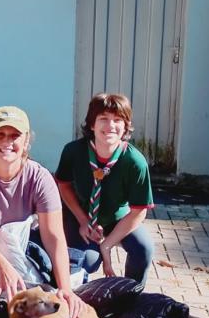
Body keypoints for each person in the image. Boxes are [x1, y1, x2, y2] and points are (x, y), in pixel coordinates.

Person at [0, 106, 85, 318]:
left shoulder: (40, 177)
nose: (7, 142)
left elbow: (54, 235)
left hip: (17, 241)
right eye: (0, 134)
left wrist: (65, 288)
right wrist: (4, 266)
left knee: (50, 273)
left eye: (15, 136)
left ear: (26, 141)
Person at [55, 93, 154, 286]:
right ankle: (77, 295)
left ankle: (130, 293)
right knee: (88, 260)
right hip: (81, 215)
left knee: (144, 248)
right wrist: (83, 221)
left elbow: (139, 211)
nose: (110, 126)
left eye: (118, 120)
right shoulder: (73, 151)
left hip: (117, 218)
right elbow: (63, 185)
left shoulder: (135, 161)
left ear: (126, 126)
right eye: (103, 119)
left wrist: (107, 245)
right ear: (92, 124)